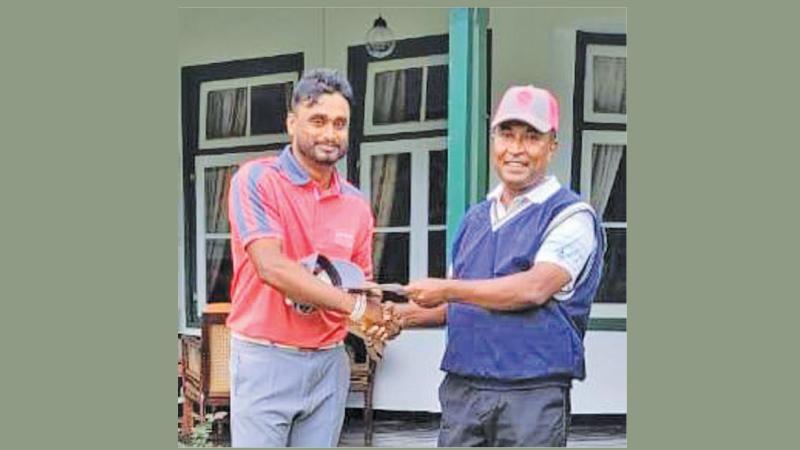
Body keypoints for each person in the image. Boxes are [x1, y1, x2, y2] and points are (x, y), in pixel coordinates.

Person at [401, 85, 606, 447]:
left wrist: (446, 288)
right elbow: (457, 306)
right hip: (464, 389)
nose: (515, 149)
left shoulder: (571, 216)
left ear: (552, 145)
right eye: (506, 134)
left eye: (531, 137)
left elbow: (533, 288)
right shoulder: (474, 219)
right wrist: (394, 316)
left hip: (531, 394)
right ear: (493, 139)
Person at [225, 68, 400, 448]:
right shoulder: (256, 180)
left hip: (328, 362)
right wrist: (357, 310)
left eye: (340, 123)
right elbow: (270, 267)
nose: (329, 133)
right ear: (292, 122)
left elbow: (360, 287)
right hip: (264, 357)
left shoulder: (355, 203)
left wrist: (382, 319)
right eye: (317, 120)